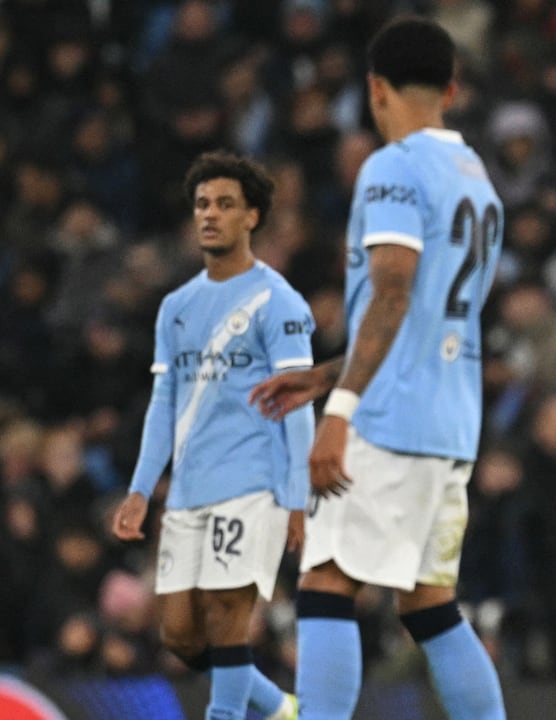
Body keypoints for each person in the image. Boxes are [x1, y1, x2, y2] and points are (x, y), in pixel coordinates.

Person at [248, 17, 506, 720]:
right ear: (451, 88)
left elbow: (393, 292)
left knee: (327, 581)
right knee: (429, 605)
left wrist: (339, 412)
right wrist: (326, 373)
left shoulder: (392, 166)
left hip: (389, 421)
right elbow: (423, 316)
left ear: (374, 89)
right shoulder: (477, 180)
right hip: (450, 422)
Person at [111, 150, 313, 720]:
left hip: (253, 481)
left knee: (228, 617)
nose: (210, 214)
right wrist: (140, 488)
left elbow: (297, 403)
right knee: (179, 635)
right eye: (202, 204)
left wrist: (297, 497)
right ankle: (277, 708)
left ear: (251, 217)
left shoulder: (279, 302)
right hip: (189, 489)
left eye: (225, 204)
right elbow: (163, 403)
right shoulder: (176, 307)